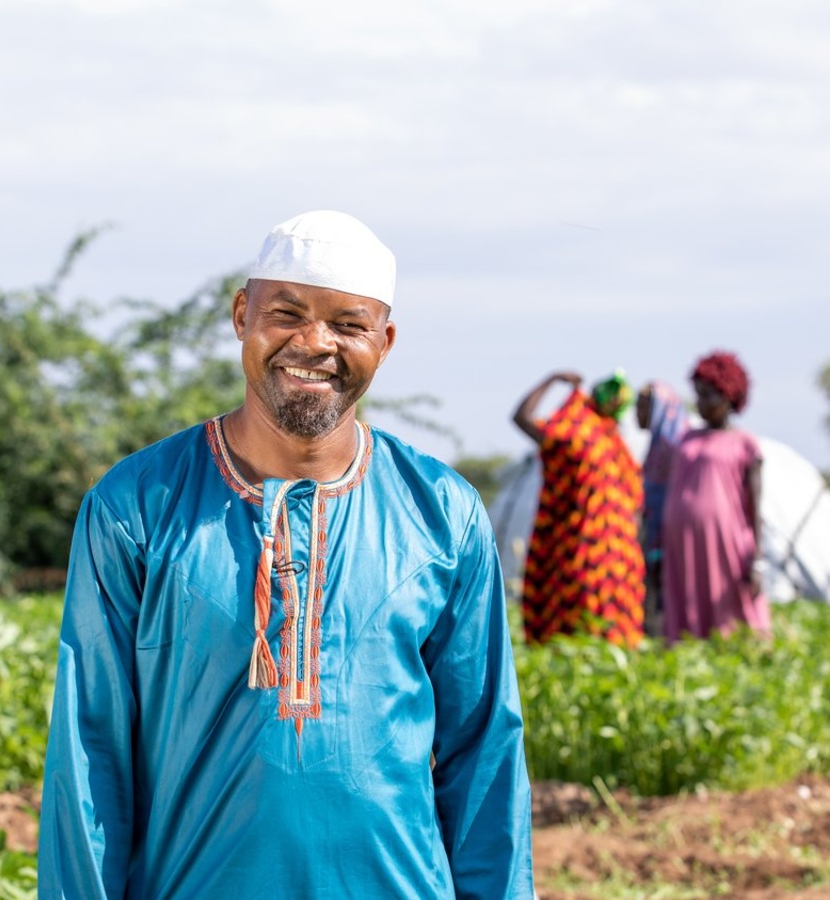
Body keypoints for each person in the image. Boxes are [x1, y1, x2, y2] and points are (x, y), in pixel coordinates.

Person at [38, 211, 534, 899]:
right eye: (287, 313)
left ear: (384, 343)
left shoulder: (443, 514)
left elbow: (484, 755)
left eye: (348, 324)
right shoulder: (136, 507)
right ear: (243, 315)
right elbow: (89, 755)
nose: (314, 343)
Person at [512, 369, 645, 646]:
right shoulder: (586, 438)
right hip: (591, 556)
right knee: (589, 629)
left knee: (588, 630)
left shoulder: (603, 443)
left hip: (604, 559)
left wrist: (552, 379)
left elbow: (522, 418)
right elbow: (522, 420)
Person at [661, 351, 770, 643]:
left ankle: (743, 647)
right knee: (687, 596)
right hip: (684, 542)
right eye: (698, 395)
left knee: (730, 602)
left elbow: (755, 504)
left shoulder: (744, 443)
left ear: (729, 397)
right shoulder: (686, 438)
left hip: (725, 540)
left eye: (708, 396)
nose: (701, 403)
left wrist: (757, 558)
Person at [635, 381, 689, 634]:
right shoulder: (658, 444)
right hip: (655, 531)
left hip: (668, 535)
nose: (637, 413)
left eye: (643, 407)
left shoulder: (673, 445)